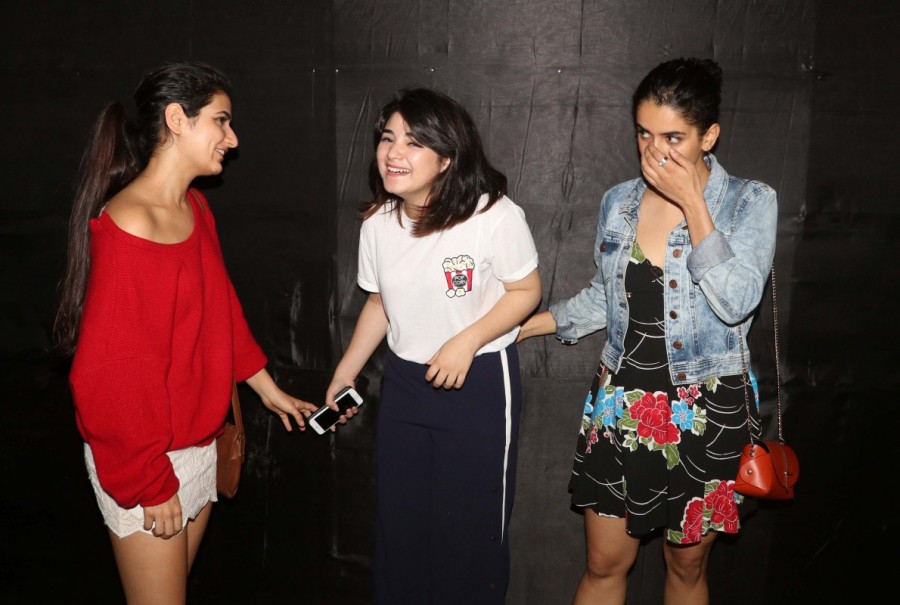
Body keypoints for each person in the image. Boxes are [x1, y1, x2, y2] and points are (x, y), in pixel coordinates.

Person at [54, 61, 322, 604]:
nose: (233, 138)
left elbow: (218, 306)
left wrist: (265, 388)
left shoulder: (194, 207)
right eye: (221, 122)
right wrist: (149, 482)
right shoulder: (132, 225)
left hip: (196, 448)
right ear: (177, 119)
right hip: (146, 460)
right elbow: (105, 378)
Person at [518, 58, 777, 604]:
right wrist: (523, 328)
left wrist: (693, 202)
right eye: (644, 132)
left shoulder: (751, 202)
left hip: (707, 410)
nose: (655, 150)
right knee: (603, 564)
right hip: (622, 407)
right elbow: (605, 299)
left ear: (709, 136)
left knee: (684, 571)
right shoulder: (620, 201)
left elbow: (736, 303)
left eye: (674, 137)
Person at [325, 88, 541, 604]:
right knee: (401, 525)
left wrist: (465, 342)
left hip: (479, 385)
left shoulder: (494, 215)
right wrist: (345, 372)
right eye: (387, 138)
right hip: (405, 385)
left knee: (469, 533)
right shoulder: (378, 223)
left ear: (447, 157)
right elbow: (379, 303)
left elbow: (526, 292)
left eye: (415, 142)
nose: (394, 153)